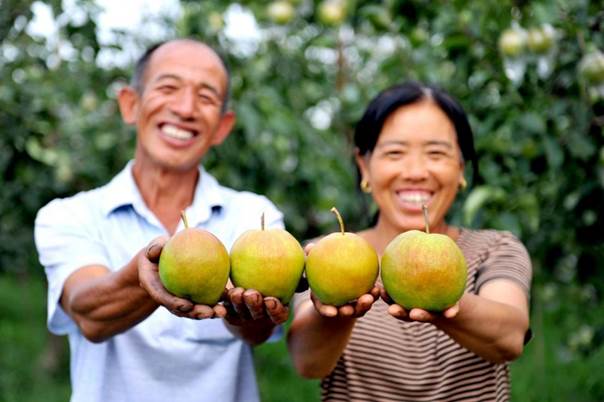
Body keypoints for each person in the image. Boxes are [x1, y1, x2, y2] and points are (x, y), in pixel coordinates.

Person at [34, 39, 291, 402]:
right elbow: (88, 313)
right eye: (168, 88)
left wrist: (247, 311)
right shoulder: (69, 215)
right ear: (130, 104)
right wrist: (144, 276)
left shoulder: (253, 217)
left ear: (222, 126)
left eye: (205, 97)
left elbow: (258, 330)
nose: (185, 108)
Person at [287, 81, 532, 401]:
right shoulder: (326, 252)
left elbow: (511, 337)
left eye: (436, 153)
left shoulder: (494, 249)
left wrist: (442, 296)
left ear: (461, 168)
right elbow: (307, 362)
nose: (415, 171)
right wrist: (338, 306)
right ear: (364, 166)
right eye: (395, 153)